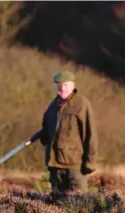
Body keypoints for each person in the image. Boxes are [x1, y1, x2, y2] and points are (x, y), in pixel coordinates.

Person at [39, 71, 98, 200]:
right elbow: (46, 130)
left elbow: (90, 134)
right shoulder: (53, 106)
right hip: (55, 166)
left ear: (73, 86)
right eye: (59, 85)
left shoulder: (82, 104)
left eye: (65, 85)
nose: (62, 88)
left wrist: (89, 163)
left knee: (78, 203)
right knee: (57, 204)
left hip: (75, 167)